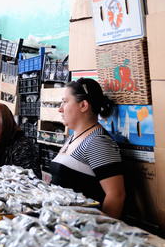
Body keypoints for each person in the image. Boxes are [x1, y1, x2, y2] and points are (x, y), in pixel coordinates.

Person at [49, 78, 125, 219]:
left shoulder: (97, 142)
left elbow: (116, 195)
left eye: (65, 102)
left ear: (83, 105)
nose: (60, 108)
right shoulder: (73, 137)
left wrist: (103, 232)